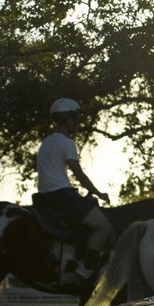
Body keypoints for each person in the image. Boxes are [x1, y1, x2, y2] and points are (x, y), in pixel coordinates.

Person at [35, 97, 112, 282]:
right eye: (75, 119)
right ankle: (86, 270)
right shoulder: (66, 143)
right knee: (104, 226)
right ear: (68, 120)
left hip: (43, 197)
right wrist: (98, 192)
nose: (77, 124)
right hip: (62, 195)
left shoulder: (46, 143)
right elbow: (78, 173)